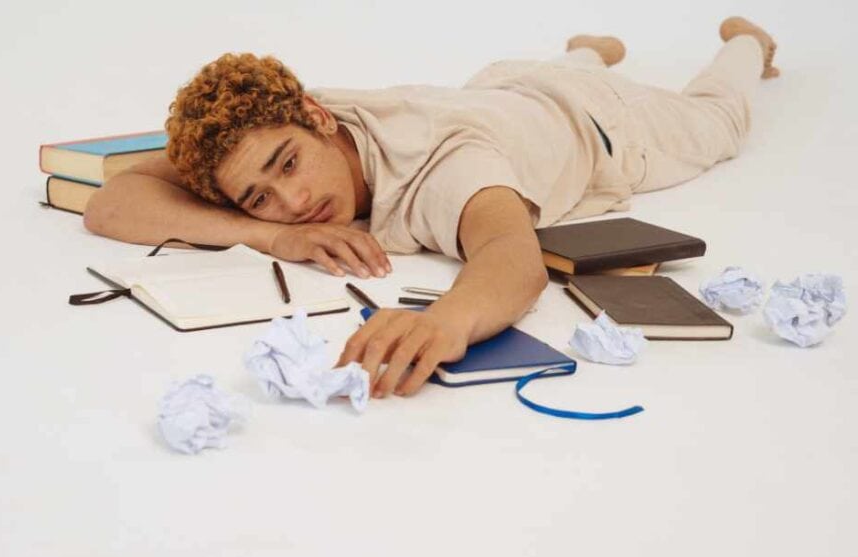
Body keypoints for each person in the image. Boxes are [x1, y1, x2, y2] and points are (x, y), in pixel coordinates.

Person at [83, 16, 779, 398]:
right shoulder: (266, 124)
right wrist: (270, 238)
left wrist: (447, 321)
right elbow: (112, 202)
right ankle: (586, 50)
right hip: (499, 88)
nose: (292, 202)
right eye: (259, 197)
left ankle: (747, 45)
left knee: (720, 122)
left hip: (604, 124)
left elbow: (511, 255)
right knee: (539, 79)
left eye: (288, 164)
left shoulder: (445, 167)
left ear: (316, 116)